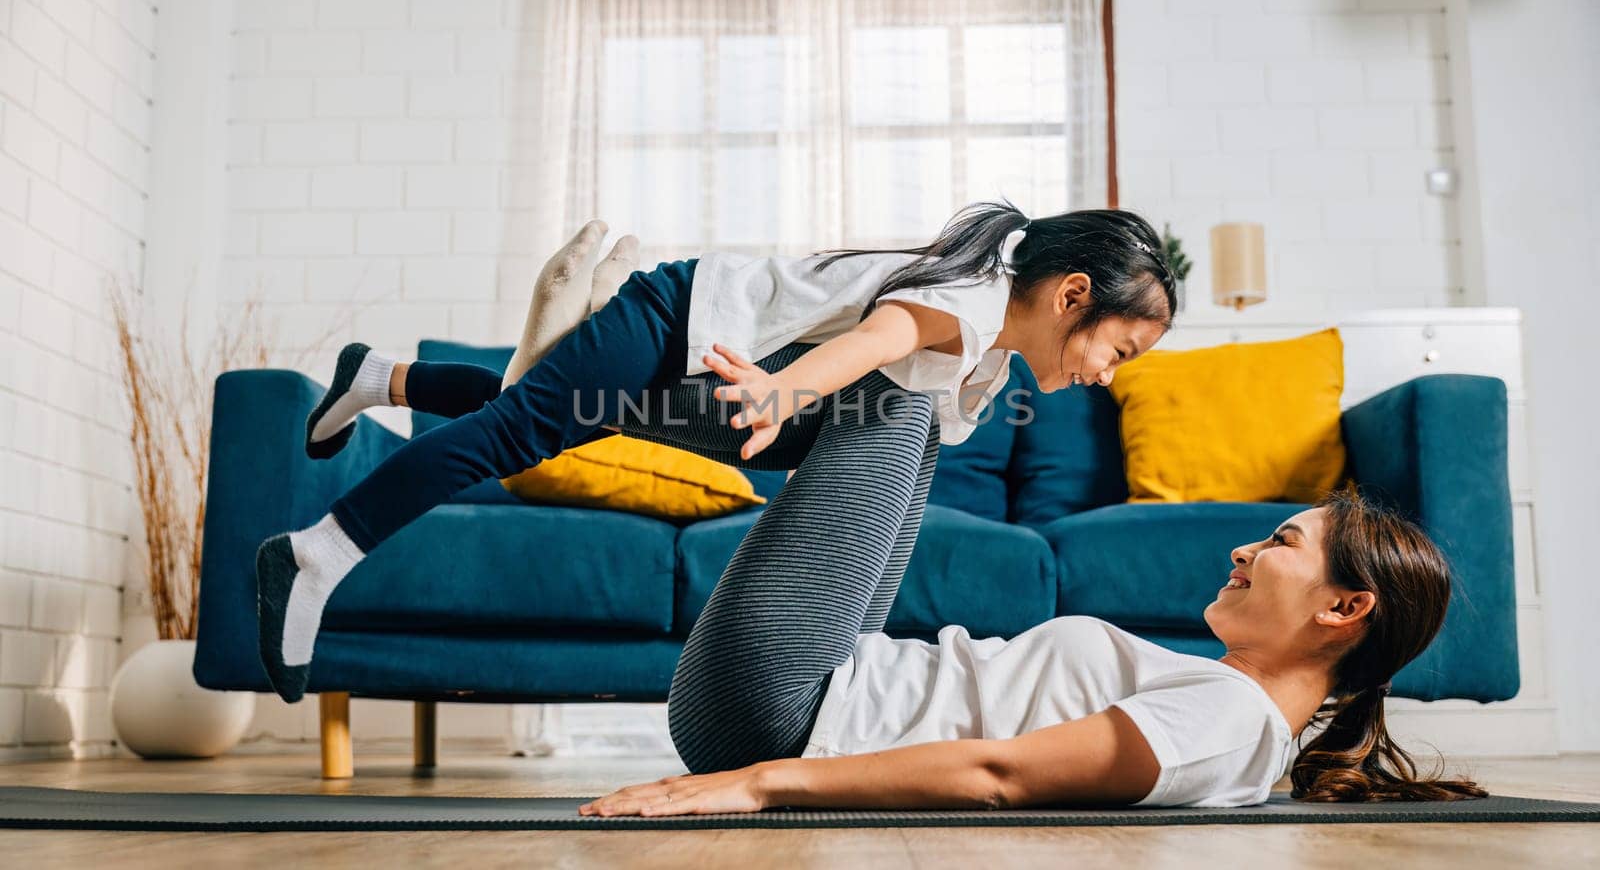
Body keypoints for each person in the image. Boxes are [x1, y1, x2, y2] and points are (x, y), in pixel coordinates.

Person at [253, 198, 1176, 792]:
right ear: (1072, 296)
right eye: (1118, 351)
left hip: (725, 363)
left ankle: (384, 377)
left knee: (558, 409)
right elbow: (883, 337)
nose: (1106, 376)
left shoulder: (984, 352)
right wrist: (787, 392)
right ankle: (316, 554)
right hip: (679, 320)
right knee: (519, 435)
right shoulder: (970, 303)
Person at [578, 491, 1489, 814]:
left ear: (1344, 606)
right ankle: (563, 392)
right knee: (917, 412)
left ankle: (559, 392)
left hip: (793, 708)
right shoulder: (1223, 704)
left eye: (1282, 542)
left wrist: (762, 780)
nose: (1244, 551)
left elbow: (1000, 773)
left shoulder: (1226, 721)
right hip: (814, 681)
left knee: (898, 401)